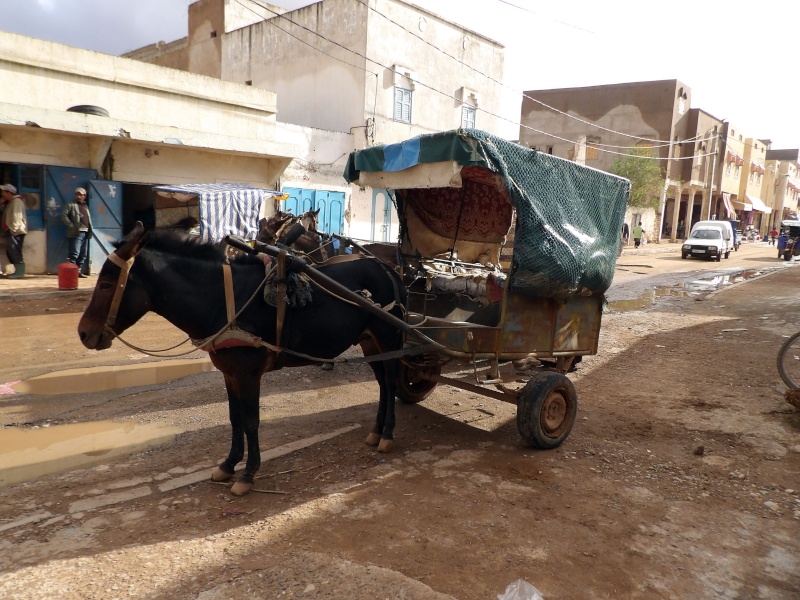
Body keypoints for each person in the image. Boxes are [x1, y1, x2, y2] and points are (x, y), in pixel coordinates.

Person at [61, 187, 93, 277]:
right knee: (74, 253)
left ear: (84, 196)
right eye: (77, 194)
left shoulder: (85, 207)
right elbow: (64, 216)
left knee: (83, 254)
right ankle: (72, 272)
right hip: (76, 233)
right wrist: (71, 226)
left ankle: (78, 271)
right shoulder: (71, 205)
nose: (78, 196)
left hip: (86, 233)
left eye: (80, 195)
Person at [0, 183, 27, 278]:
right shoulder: (11, 202)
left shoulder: (16, 202)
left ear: (9, 193)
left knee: (14, 250)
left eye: (4, 192)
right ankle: (17, 271)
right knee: (11, 251)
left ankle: (19, 273)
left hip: (16, 231)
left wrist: (14, 229)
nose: (2, 194)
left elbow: (17, 216)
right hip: (12, 230)